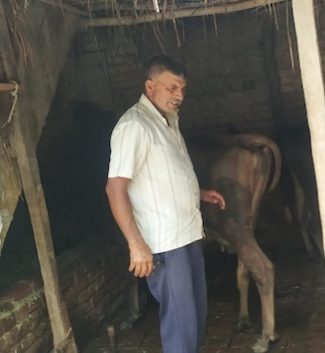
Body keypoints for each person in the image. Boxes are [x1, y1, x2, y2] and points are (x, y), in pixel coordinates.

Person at [105, 55, 226, 353]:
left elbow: (164, 176)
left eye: (182, 89)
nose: (179, 96)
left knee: (195, 316)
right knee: (180, 324)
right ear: (150, 86)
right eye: (172, 88)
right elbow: (115, 187)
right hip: (163, 244)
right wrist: (135, 243)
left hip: (187, 235)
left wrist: (198, 193)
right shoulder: (134, 126)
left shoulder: (168, 122)